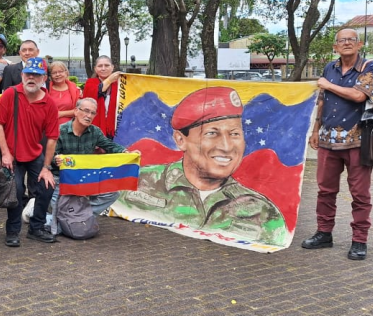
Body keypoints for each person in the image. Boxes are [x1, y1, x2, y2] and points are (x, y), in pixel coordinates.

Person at [114, 86, 287, 246]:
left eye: (234, 134)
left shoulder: (263, 213)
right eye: (212, 133)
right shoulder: (138, 182)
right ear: (180, 140)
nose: (226, 147)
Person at [303, 28, 373, 260]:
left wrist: (327, 85)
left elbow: (360, 95)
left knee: (360, 194)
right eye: (341, 40)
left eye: (351, 40)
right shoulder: (330, 68)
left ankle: (359, 240)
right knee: (325, 191)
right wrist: (315, 130)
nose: (346, 43)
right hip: (328, 141)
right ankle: (324, 233)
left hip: (359, 141)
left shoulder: (370, 67)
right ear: (335, 47)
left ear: (359, 45)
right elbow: (321, 100)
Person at [0, 57, 60, 247]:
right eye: (28, 74)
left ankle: (36, 228)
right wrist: (5, 153)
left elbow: (52, 137)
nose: (32, 78)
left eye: (36, 75)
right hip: (12, 154)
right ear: (22, 75)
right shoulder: (10, 94)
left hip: (34, 154)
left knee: (47, 186)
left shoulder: (49, 104)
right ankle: (13, 231)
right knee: (17, 191)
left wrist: (47, 167)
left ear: (44, 78)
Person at [48, 98, 126, 228]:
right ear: (76, 111)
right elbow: (50, 156)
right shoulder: (60, 130)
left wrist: (125, 152)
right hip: (62, 179)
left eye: (92, 113)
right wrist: (57, 159)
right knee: (57, 224)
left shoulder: (95, 132)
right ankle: (33, 211)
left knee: (112, 193)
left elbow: (109, 145)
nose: (89, 116)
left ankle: (82, 215)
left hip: (85, 179)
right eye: (86, 111)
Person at [82, 56, 118, 138]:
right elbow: (98, 91)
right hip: (95, 125)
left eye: (107, 65)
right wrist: (109, 80)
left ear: (112, 67)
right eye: (100, 66)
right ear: (95, 68)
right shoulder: (90, 83)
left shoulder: (120, 84)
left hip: (115, 127)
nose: (103, 68)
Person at [47, 61, 80, 126]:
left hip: (70, 129)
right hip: (49, 128)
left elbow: (79, 110)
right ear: (50, 75)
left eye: (60, 71)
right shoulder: (46, 89)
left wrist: (61, 114)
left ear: (66, 73)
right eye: (54, 73)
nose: (57, 74)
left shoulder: (74, 89)